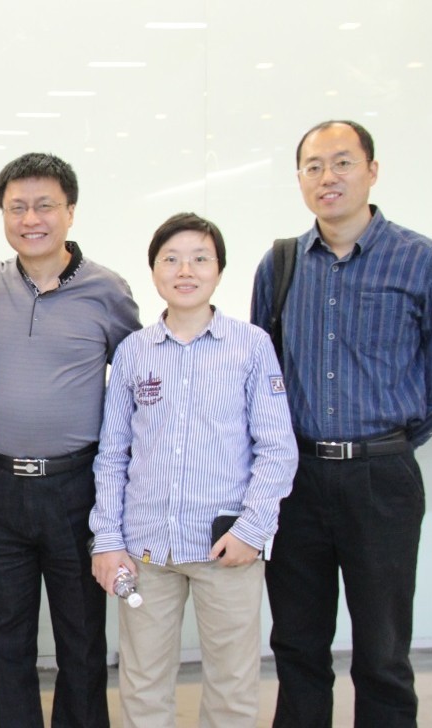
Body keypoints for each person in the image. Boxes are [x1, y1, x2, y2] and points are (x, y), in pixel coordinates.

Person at [252, 120, 432, 727]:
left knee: (382, 650)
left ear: (372, 171)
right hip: (297, 480)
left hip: (383, 480)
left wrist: (392, 442)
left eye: (343, 163)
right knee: (297, 643)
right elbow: (261, 376)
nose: (328, 177)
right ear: (300, 179)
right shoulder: (281, 264)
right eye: (314, 166)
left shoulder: (424, 260)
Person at [91, 212, 297, 727]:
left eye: (200, 259)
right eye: (172, 259)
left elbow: (277, 449)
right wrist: (107, 539)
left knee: (232, 686)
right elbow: (113, 455)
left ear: (219, 270)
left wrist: (252, 530)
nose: (186, 270)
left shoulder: (251, 346)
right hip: (146, 552)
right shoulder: (133, 352)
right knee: (142, 684)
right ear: (154, 271)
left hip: (227, 550)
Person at [0, 152, 140, 727]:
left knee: (82, 638)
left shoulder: (107, 291)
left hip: (76, 488)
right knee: (5, 640)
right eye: (16, 207)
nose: (30, 219)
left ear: (70, 211)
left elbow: (139, 381)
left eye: (44, 205)